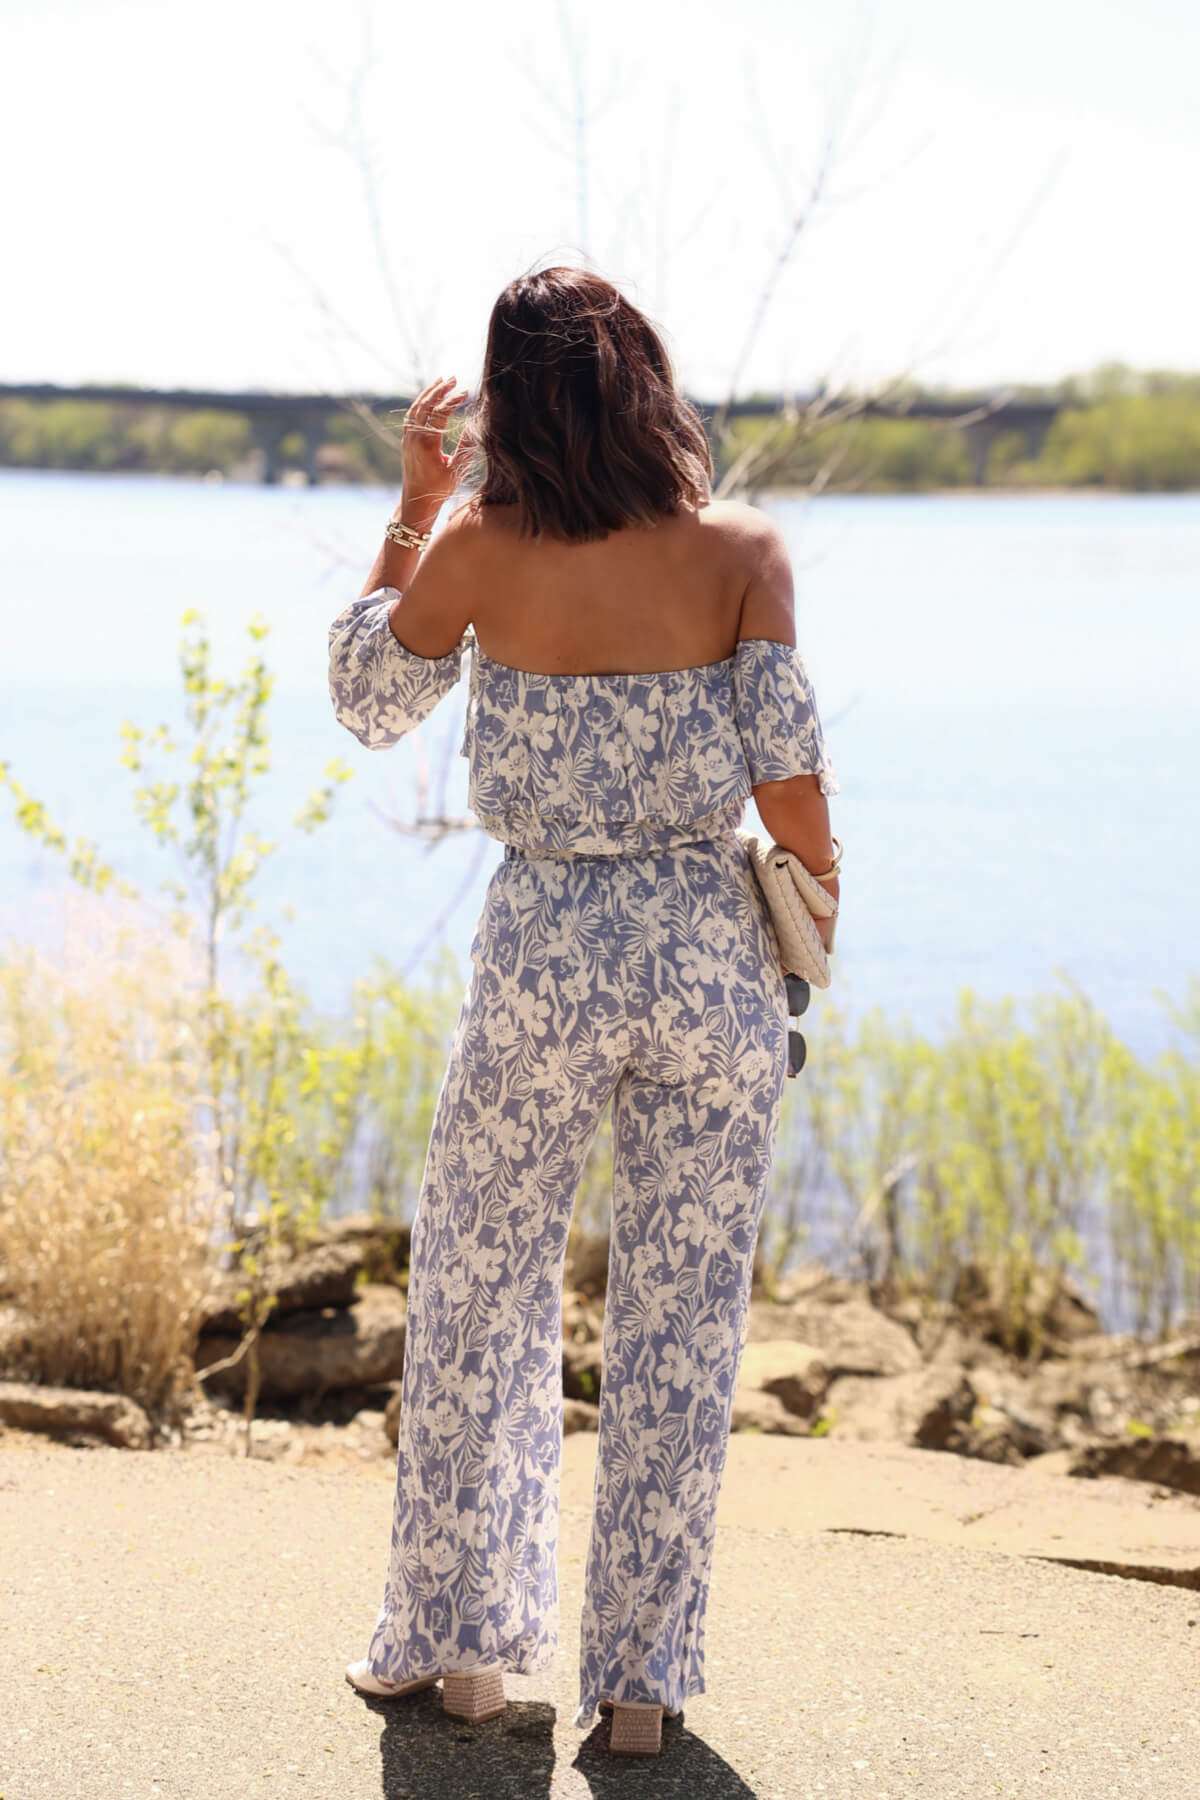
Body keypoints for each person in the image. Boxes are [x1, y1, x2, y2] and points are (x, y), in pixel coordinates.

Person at [328, 264, 840, 1758]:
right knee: (682, 1325)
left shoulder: (479, 547)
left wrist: (415, 505)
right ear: (645, 386)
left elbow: (367, 699)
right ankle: (639, 1692)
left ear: (509, 403)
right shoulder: (743, 550)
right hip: (705, 953)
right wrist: (811, 924)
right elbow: (792, 787)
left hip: (543, 949)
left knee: (480, 1293)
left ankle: (463, 1657)